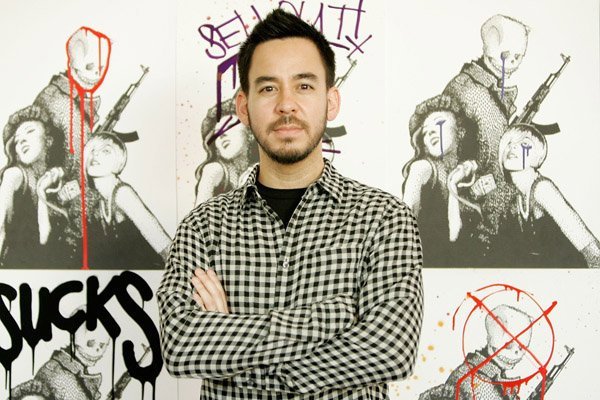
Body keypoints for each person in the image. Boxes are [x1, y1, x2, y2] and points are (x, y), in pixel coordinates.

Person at [157, 9, 423, 400]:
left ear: (331, 101)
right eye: (268, 88)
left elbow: (391, 350)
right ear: (243, 107)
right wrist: (334, 317)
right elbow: (181, 346)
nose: (286, 105)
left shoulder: (384, 219)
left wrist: (230, 344)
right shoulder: (202, 227)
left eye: (304, 86)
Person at [442, 15, 529, 265]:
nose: (513, 63)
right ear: (488, 48)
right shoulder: (474, 93)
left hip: (479, 198)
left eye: (519, 56)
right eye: (507, 55)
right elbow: (495, 160)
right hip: (474, 211)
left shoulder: (475, 83)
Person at [496, 125, 600, 267]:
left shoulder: (542, 189)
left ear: (538, 157)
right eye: (509, 142)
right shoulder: (518, 199)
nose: (513, 147)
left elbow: (589, 246)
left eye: (524, 143)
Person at [402, 94, 477, 267]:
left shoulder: (465, 173)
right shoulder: (422, 168)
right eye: (426, 132)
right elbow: (453, 237)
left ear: (460, 131)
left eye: (439, 124)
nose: (431, 133)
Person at [84, 132, 171, 268]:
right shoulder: (100, 200)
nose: (95, 154)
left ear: (118, 161)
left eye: (106, 151)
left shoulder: (122, 194)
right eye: (92, 149)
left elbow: (160, 241)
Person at [0, 105, 72, 267]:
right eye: (17, 140)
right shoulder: (14, 175)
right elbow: (0, 226)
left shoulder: (59, 180)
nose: (21, 141)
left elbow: (49, 239)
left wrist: (43, 192)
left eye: (29, 131)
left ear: (49, 140)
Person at [194, 96, 259, 206]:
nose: (221, 135)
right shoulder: (214, 170)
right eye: (217, 133)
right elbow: (199, 214)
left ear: (250, 133)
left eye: (229, 127)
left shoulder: (260, 169)